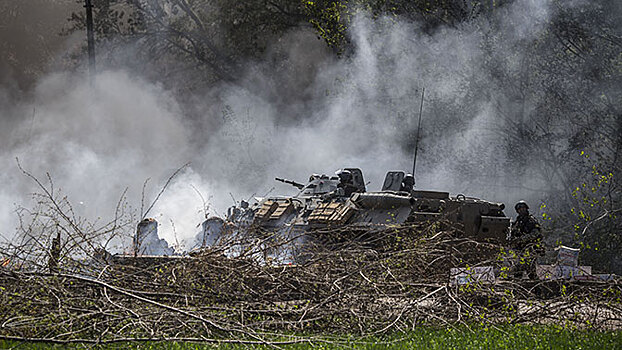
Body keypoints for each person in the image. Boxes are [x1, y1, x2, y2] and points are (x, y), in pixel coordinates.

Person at [509, 201, 544, 278]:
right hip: (519, 250)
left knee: (530, 271)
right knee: (518, 272)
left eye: (523, 208)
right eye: (519, 209)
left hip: (530, 249)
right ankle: (517, 288)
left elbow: (535, 234)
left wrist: (521, 239)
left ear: (526, 209)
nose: (521, 210)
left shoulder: (531, 220)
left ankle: (536, 288)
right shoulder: (517, 222)